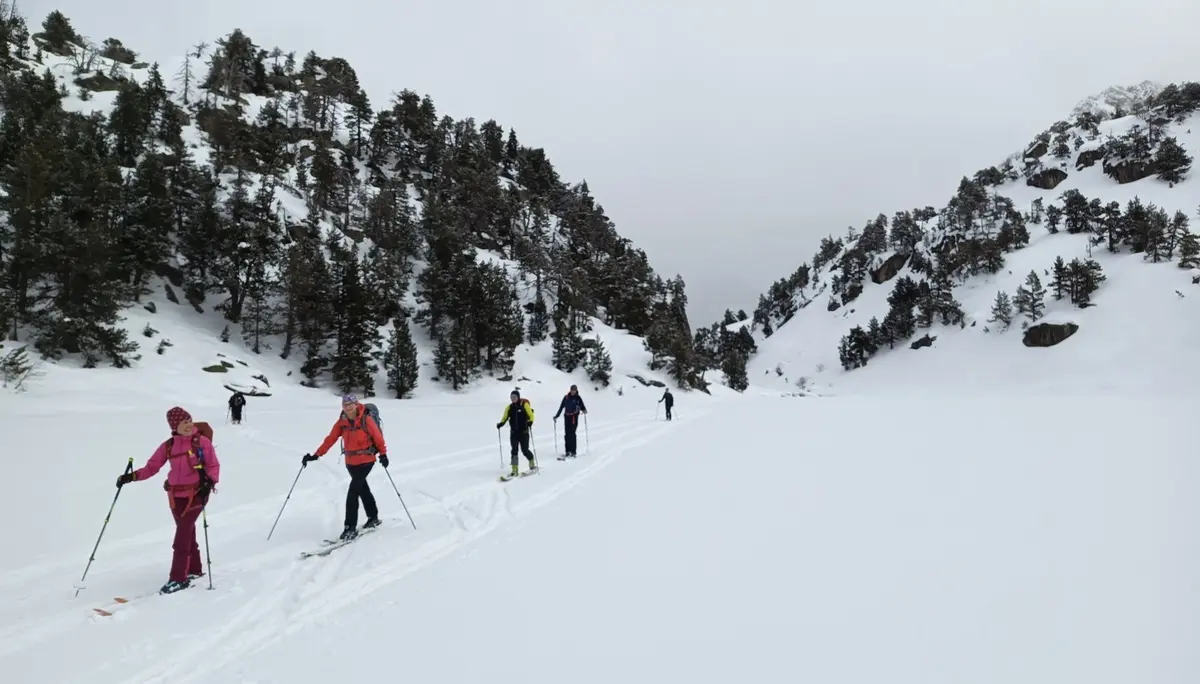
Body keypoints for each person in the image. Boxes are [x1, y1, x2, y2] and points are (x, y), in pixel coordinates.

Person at [116, 407, 220, 594]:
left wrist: (210, 481)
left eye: (189, 421)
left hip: (197, 493)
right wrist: (131, 477)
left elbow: (213, 465)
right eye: (183, 423)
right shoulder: (169, 446)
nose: (188, 425)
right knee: (187, 531)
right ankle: (194, 570)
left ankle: (178, 578)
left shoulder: (201, 442)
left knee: (182, 534)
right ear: (174, 426)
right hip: (175, 496)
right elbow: (152, 467)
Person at [301, 394, 388, 541]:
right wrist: (316, 455)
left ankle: (350, 528)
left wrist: (383, 454)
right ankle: (373, 517)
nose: (347, 408)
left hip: (367, 460)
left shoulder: (366, 419)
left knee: (353, 493)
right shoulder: (342, 422)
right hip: (351, 462)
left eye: (350, 405)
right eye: (344, 405)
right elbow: (331, 438)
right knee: (362, 489)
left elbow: (378, 438)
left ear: (356, 404)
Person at [497, 389, 537, 477]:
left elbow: (531, 415)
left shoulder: (524, 404)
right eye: (511, 397)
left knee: (525, 450)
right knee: (514, 451)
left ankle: (531, 463)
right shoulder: (509, 407)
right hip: (514, 433)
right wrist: (501, 424)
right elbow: (505, 417)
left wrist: (530, 422)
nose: (513, 399)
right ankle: (514, 469)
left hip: (524, 432)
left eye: (514, 397)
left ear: (518, 397)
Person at [552, 384, 587, 458]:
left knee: (572, 434)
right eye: (572, 390)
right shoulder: (566, 397)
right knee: (567, 434)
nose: (573, 391)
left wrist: (584, 410)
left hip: (574, 418)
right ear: (570, 390)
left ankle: (573, 452)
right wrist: (556, 416)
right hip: (567, 417)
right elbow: (561, 408)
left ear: (576, 390)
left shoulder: (578, 398)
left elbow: (582, 406)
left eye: (574, 390)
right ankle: (567, 451)